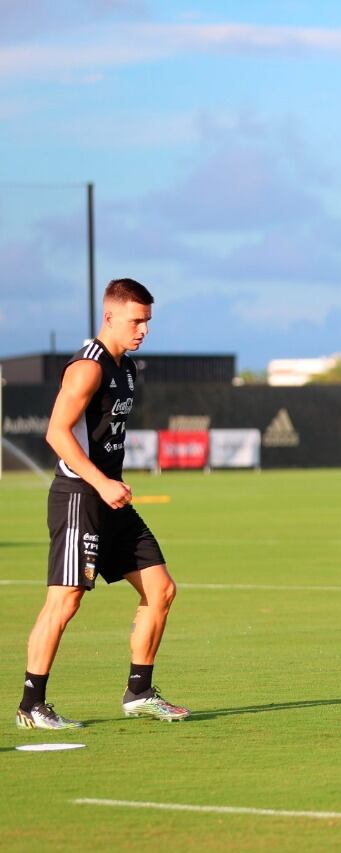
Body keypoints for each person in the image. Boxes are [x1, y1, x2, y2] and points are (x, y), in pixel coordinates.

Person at [17, 278, 189, 730]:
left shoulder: (126, 368)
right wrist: (100, 482)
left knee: (161, 589)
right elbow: (56, 433)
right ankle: (31, 706)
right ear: (109, 316)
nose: (143, 330)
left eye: (148, 322)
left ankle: (139, 692)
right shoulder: (87, 368)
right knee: (66, 600)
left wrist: (111, 483)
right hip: (80, 496)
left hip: (111, 497)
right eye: (136, 321)